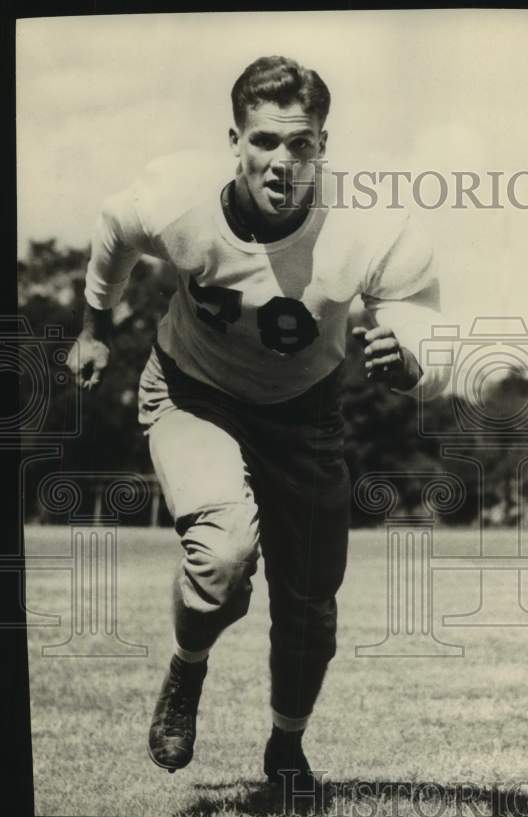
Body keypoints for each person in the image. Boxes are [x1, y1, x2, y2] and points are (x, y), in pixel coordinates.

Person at [71, 55, 451, 784]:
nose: (283, 162)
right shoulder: (178, 197)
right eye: (265, 142)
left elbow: (418, 318)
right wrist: (94, 324)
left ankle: (287, 746)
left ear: (324, 145)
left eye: (301, 143)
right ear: (235, 140)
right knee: (221, 557)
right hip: (194, 393)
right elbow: (113, 229)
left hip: (305, 415)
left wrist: (405, 358)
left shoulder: (368, 225)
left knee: (311, 607)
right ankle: (187, 668)